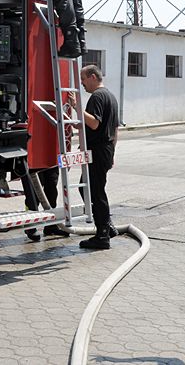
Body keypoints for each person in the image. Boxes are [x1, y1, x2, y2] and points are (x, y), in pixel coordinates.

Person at [68, 64, 118, 249]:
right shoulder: (111, 97)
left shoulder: (97, 97)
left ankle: (103, 234)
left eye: (83, 79)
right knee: (89, 189)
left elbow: (95, 123)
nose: (82, 84)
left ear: (92, 77)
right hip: (105, 149)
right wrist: (112, 152)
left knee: (95, 192)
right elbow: (113, 128)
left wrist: (76, 107)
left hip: (97, 150)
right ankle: (107, 225)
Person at [22, 167, 69, 241]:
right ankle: (30, 226)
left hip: (51, 158)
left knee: (52, 190)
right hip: (34, 160)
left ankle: (51, 226)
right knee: (34, 191)